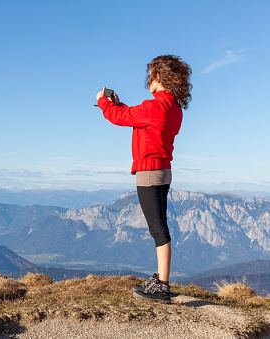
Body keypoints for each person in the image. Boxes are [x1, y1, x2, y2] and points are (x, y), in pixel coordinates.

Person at [95, 55, 192, 303]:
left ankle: (162, 286)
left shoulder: (154, 106)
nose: (148, 80)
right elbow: (133, 115)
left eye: (150, 76)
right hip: (164, 170)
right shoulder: (173, 108)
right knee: (160, 227)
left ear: (158, 77)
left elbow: (120, 118)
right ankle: (160, 279)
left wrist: (103, 102)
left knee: (158, 230)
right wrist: (118, 104)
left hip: (149, 171)